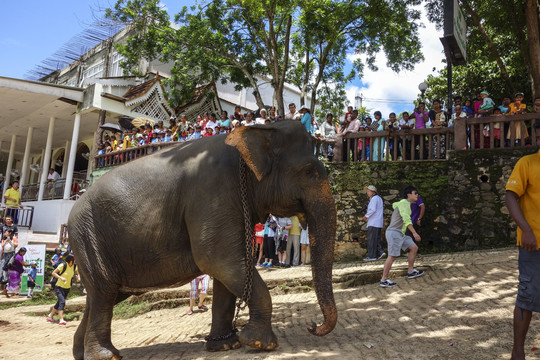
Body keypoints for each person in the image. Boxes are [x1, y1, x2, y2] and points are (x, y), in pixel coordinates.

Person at [505, 120, 540, 360]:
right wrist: (526, 230)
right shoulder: (526, 163)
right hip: (533, 244)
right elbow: (510, 197)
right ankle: (518, 351)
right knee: (526, 296)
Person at [380, 186, 424, 288]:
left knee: (414, 247)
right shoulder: (404, 203)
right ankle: (383, 280)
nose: (417, 195)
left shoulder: (406, 204)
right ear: (409, 195)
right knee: (392, 256)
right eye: (415, 193)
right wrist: (414, 233)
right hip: (394, 233)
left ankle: (411, 271)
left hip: (401, 233)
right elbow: (406, 219)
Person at [47, 253, 80, 325]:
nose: (75, 261)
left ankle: (50, 316)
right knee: (62, 301)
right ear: (70, 260)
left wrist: (78, 277)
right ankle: (61, 319)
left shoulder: (74, 266)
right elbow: (53, 273)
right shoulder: (63, 265)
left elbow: (78, 273)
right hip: (59, 286)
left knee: (59, 302)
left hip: (67, 287)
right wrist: (60, 277)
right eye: (74, 260)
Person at [363, 185, 386, 261]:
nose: (367, 193)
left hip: (373, 222)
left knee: (371, 240)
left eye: (368, 191)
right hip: (378, 222)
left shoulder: (374, 199)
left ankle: (371, 256)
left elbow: (372, 210)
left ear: (373, 192)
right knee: (376, 239)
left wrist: (366, 216)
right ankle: (380, 252)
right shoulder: (379, 198)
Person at [0, 219, 18, 295]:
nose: (7, 233)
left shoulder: (14, 238)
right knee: (2, 269)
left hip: (11, 254)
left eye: (8, 232)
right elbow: (2, 246)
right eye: (6, 232)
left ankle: (9, 290)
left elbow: (16, 245)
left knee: (10, 268)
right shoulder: (3, 239)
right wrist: (5, 241)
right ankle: (4, 286)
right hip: (4, 254)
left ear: (11, 233)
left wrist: (10, 241)